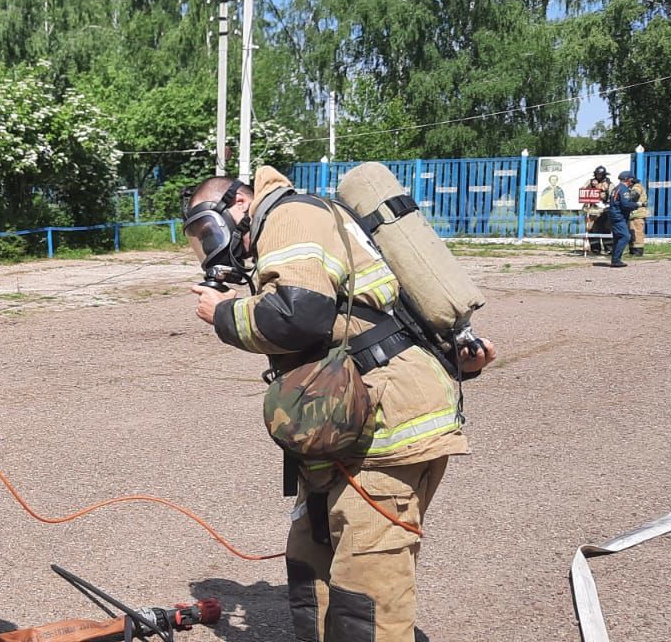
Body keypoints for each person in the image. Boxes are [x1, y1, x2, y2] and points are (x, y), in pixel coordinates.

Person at [183, 168, 495, 642]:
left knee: (365, 588)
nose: (210, 245)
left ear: (240, 204)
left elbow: (299, 315)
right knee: (311, 561)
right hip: (341, 425)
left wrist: (223, 313)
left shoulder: (288, 216)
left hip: (387, 429)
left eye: (208, 229)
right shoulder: (292, 223)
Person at [606, 171, 638, 267]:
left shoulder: (616, 188)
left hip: (615, 215)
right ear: (628, 179)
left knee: (617, 238)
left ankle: (615, 259)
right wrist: (637, 204)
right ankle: (616, 260)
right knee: (625, 237)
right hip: (619, 216)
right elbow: (626, 205)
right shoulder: (623, 190)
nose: (632, 182)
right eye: (631, 180)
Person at [585, 166, 613, 254]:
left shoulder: (609, 183)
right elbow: (584, 191)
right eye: (597, 174)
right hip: (592, 210)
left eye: (601, 174)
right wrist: (591, 186)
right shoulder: (590, 182)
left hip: (604, 210)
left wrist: (602, 193)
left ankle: (609, 249)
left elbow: (612, 194)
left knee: (606, 229)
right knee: (592, 229)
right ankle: (595, 249)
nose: (599, 176)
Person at [628, 175, 650, 256]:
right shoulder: (633, 187)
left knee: (637, 233)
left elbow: (633, 196)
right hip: (634, 214)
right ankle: (632, 250)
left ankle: (638, 251)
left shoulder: (637, 187)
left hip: (638, 214)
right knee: (632, 233)